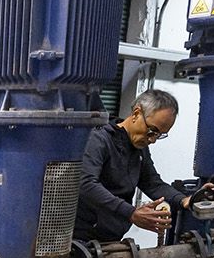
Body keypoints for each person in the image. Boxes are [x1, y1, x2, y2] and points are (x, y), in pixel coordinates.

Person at [74, 88, 203, 243]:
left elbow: (153, 184)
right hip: (81, 238)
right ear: (136, 114)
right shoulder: (99, 139)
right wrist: (131, 213)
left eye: (159, 135)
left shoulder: (139, 148)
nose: (153, 140)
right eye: (152, 131)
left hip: (110, 238)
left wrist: (185, 200)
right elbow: (86, 183)